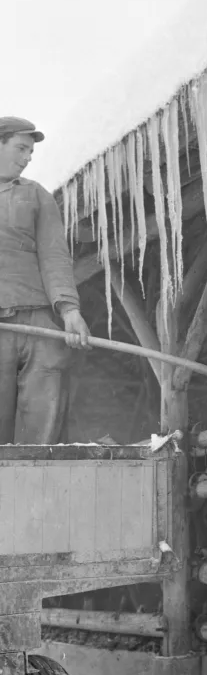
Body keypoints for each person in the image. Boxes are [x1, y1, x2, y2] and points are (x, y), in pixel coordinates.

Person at [0, 116, 91, 445]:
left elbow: (54, 255)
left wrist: (69, 310)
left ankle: (41, 477)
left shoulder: (36, 196)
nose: (26, 158)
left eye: (31, 153)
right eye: (20, 148)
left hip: (38, 321)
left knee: (46, 419)